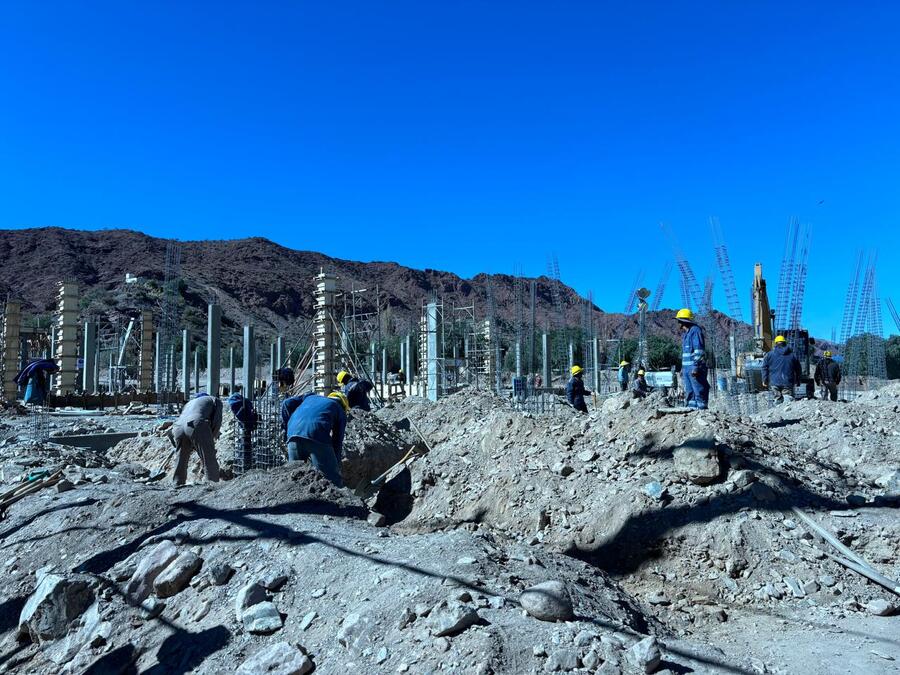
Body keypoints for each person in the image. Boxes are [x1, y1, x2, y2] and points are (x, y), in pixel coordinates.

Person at [285, 391, 349, 486]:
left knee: (295, 476)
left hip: (292, 433)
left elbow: (287, 402)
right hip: (316, 434)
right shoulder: (339, 409)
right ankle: (338, 493)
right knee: (331, 479)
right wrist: (336, 464)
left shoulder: (310, 397)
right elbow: (337, 440)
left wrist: (285, 429)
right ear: (343, 405)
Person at [171, 393, 222, 485]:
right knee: (208, 457)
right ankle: (213, 484)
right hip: (196, 423)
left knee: (181, 457)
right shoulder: (215, 400)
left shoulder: (190, 403)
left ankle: (177, 482)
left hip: (178, 427)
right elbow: (217, 421)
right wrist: (211, 438)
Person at [676, 308, 709, 410]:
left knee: (698, 389)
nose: (678, 323)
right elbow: (686, 354)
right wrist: (683, 368)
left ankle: (702, 411)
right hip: (687, 368)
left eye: (679, 320)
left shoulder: (695, 331)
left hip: (695, 368)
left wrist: (695, 367)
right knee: (690, 392)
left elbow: (699, 350)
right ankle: (692, 410)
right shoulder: (686, 334)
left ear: (684, 321)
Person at [762, 335, 802, 403]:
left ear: (775, 343)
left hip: (774, 382)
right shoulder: (793, 355)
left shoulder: (769, 355)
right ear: (785, 343)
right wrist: (798, 381)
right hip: (788, 382)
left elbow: (764, 368)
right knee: (788, 401)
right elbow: (798, 370)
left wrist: (764, 379)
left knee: (777, 401)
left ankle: (778, 408)